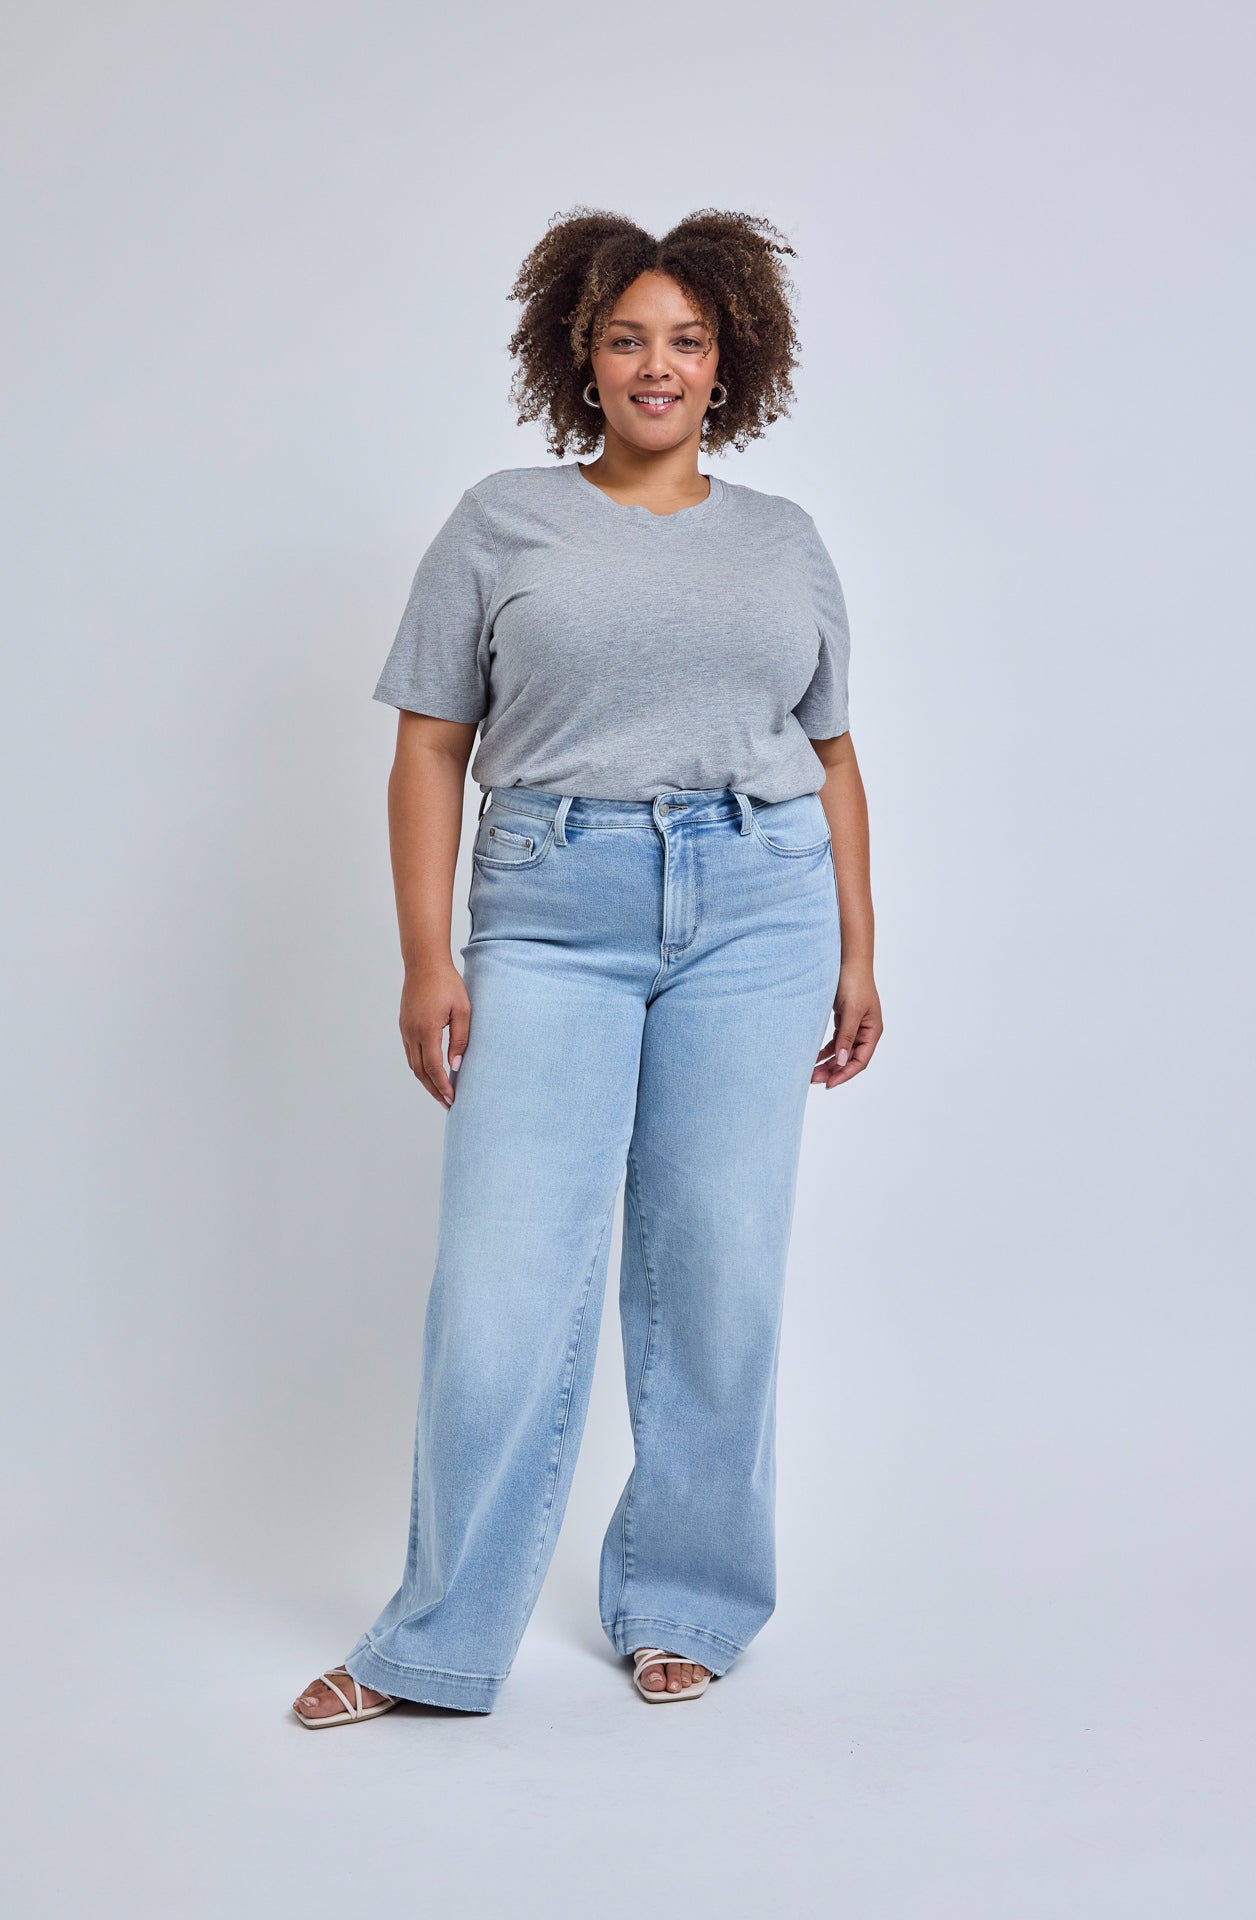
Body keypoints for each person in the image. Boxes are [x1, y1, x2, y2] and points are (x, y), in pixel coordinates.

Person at [292, 206, 883, 1727]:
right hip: (554, 910)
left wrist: (859, 949)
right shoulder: (502, 521)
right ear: (582, 354)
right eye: (627, 338)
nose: (656, 364)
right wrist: (427, 956)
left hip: (758, 911)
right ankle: (434, 1639)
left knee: (718, 1272)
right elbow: (431, 748)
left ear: (729, 361)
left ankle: (689, 1604)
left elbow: (829, 754)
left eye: (687, 339)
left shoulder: (785, 540)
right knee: (501, 1286)